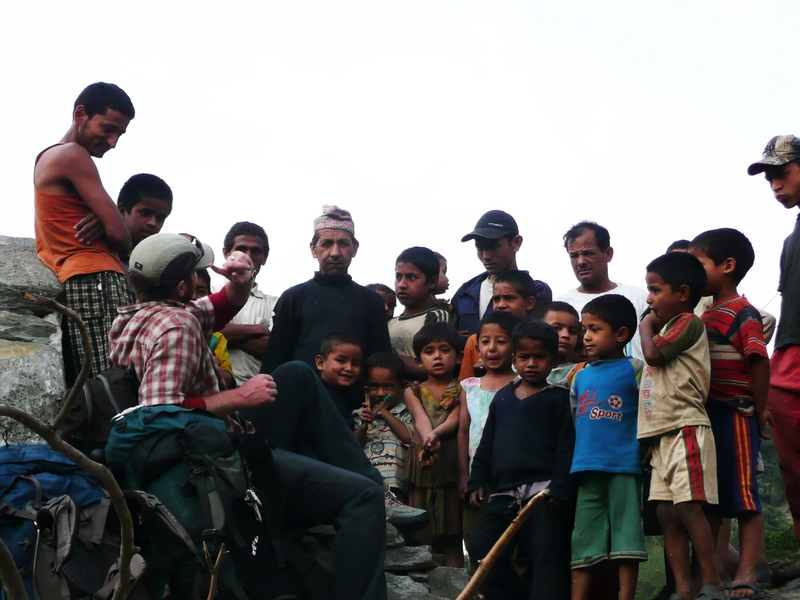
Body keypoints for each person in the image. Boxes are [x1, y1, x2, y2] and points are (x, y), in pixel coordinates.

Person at [108, 232, 391, 600]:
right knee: (363, 496)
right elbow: (160, 410)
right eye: (194, 275)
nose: (198, 280)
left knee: (296, 373)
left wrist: (240, 282)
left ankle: (352, 474)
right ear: (181, 286)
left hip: (213, 445)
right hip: (219, 462)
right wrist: (240, 395)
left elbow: (217, 307)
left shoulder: (138, 316)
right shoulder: (177, 328)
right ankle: (372, 490)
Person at [688, 228, 772, 599]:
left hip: (737, 411)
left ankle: (748, 571)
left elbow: (758, 360)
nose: (692, 272)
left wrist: (760, 406)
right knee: (711, 498)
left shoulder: (742, 311)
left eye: (698, 264)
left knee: (744, 497)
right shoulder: (703, 316)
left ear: (727, 266)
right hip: (707, 415)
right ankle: (712, 577)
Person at [34, 82, 135, 385]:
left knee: (93, 382)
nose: (113, 141)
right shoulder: (74, 156)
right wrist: (111, 221)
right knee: (112, 381)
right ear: (80, 114)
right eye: (107, 128)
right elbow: (121, 237)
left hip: (77, 280)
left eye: (120, 134)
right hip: (97, 279)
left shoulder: (46, 157)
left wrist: (107, 219)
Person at [467, 320, 576, 600]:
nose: (531, 363)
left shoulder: (560, 399)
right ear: (514, 359)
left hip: (545, 493)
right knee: (481, 546)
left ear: (553, 361)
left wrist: (562, 487)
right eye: (524, 357)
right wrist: (477, 478)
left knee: (547, 557)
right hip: (505, 494)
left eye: (540, 357)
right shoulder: (503, 398)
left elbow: (568, 446)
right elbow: (487, 442)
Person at [638, 252, 725, 600]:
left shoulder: (688, 323)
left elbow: (655, 357)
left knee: (689, 507)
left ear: (684, 293)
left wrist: (645, 325)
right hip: (663, 435)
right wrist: (649, 439)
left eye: (656, 290)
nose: (649, 299)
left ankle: (712, 582)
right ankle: (684, 588)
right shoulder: (669, 327)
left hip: (686, 427)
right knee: (665, 511)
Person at [748, 136, 800, 585]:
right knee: (792, 464)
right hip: (788, 352)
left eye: (781, 172)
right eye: (769, 177)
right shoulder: (791, 240)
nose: (774, 184)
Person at [569, 295, 646, 600]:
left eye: (594, 329)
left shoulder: (636, 369)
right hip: (586, 467)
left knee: (627, 537)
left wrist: (646, 448)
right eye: (583, 328)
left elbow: (647, 411)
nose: (585, 336)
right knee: (583, 538)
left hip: (624, 466)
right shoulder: (579, 375)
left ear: (621, 334)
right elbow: (575, 420)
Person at [261, 205, 391, 373]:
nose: (335, 252)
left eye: (343, 243)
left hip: (355, 398)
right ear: (313, 249)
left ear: (355, 248)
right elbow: (275, 360)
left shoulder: (371, 301)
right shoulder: (293, 298)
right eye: (327, 244)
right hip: (303, 396)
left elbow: (381, 362)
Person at [404, 322, 464, 567]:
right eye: (429, 351)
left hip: (450, 459)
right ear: (418, 360)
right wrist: (429, 438)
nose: (437, 356)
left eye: (444, 350)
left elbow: (455, 418)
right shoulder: (413, 391)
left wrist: (435, 435)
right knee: (421, 529)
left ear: (459, 357)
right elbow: (420, 419)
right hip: (423, 460)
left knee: (452, 531)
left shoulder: (463, 388)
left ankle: (457, 586)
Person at [457, 311, 520, 549]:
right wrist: (465, 475)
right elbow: (463, 432)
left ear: (515, 345)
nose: (492, 348)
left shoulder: (521, 384)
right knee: (477, 540)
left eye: (501, 341)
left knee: (512, 543)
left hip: (512, 478)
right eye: (485, 341)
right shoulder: (469, 387)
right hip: (478, 476)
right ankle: (477, 587)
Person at [557, 221, 648, 360]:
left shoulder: (638, 297)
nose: (580, 262)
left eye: (588, 253)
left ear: (608, 254)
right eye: (574, 256)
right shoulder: (561, 306)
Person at [453, 210, 551, 337]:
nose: (486, 256)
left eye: (494, 247)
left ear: (516, 243)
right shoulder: (465, 292)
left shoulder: (537, 290)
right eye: (480, 248)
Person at [217, 222, 279, 385]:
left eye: (256, 251)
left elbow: (274, 349)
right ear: (226, 253)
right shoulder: (208, 291)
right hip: (212, 388)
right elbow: (199, 330)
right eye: (242, 249)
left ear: (264, 258)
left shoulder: (274, 304)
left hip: (257, 393)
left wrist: (222, 333)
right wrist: (258, 329)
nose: (248, 255)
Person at [353, 351, 414, 502]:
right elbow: (354, 445)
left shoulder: (406, 412)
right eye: (374, 387)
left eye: (387, 387)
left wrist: (384, 412)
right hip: (365, 481)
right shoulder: (360, 414)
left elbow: (408, 437)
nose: (380, 393)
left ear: (402, 386)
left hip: (395, 483)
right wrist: (362, 426)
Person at [459, 270, 537, 380]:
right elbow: (464, 386)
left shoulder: (538, 340)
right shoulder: (475, 341)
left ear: (529, 303)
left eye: (509, 298)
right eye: (496, 299)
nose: (500, 305)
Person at [389, 246, 450, 378]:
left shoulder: (435, 316)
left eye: (411, 277)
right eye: (399, 277)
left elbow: (428, 366)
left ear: (432, 282)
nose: (402, 285)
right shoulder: (390, 323)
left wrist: (388, 355)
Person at [117, 173, 173, 301]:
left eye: (160, 218)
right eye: (145, 213)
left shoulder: (159, 265)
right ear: (122, 211)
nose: (152, 223)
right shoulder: (102, 253)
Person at [194, 267, 235, 390]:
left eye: (200, 291)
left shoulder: (216, 338)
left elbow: (228, 378)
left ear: (209, 296)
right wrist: (208, 364)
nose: (193, 296)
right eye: (187, 289)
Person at [315, 332, 364, 430]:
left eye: (355, 363)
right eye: (341, 361)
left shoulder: (360, 398)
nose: (349, 368)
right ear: (320, 363)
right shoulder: (314, 393)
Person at [534, 301, 581, 385]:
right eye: (557, 328)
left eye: (573, 332)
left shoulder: (581, 372)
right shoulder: (519, 369)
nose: (566, 335)